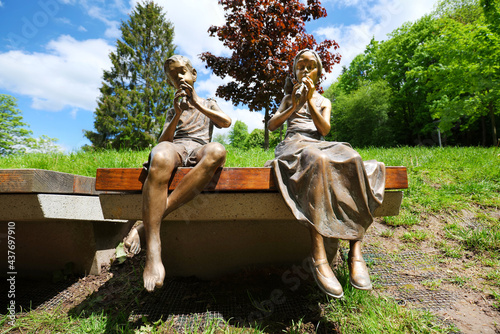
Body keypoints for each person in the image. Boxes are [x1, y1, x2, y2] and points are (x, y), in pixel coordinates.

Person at [267, 49, 385, 298]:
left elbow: (324, 129)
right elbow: (272, 125)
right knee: (318, 160)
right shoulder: (288, 98)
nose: (305, 70)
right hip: (295, 144)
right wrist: (295, 104)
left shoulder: (323, 101)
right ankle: (318, 254)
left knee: (353, 158)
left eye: (311, 66)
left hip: (318, 142)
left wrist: (309, 101)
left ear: (318, 72)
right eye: (301, 66)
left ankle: (356, 251)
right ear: (295, 72)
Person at [125, 55, 232, 292]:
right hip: (178, 146)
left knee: (217, 151)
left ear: (194, 74)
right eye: (173, 76)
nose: (179, 77)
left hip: (199, 147)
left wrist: (196, 102)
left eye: (182, 72)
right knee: (160, 154)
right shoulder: (172, 108)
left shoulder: (208, 102)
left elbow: (226, 122)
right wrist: (175, 114)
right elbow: (164, 142)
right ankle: (153, 251)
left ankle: (145, 225)